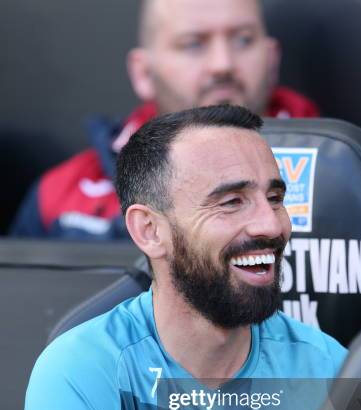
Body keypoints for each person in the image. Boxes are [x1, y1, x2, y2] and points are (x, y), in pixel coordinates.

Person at [24, 105, 346, 410]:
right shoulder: (81, 370)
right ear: (150, 231)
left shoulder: (335, 370)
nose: (272, 224)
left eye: (275, 197)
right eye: (231, 202)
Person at [11, 0, 319, 240]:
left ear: (272, 58)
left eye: (242, 40)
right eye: (194, 44)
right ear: (144, 73)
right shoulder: (60, 195)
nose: (222, 64)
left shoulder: (341, 171)